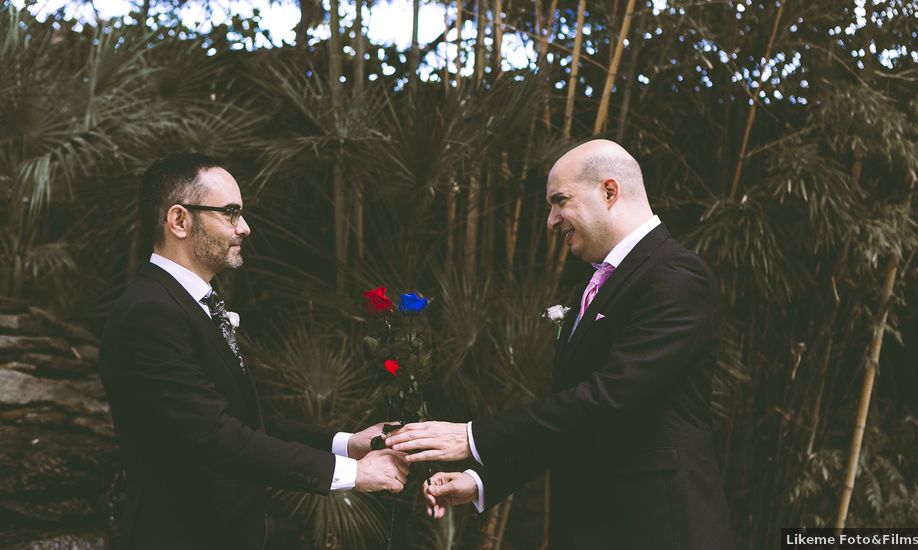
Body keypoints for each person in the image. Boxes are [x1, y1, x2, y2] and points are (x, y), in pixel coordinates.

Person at [385, 140, 734, 549]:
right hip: (592, 528)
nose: (551, 221)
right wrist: (482, 480)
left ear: (609, 191)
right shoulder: (595, 280)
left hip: (658, 528)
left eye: (559, 201)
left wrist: (472, 436)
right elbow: (575, 417)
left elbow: (608, 398)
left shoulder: (675, 276)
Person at [100, 154, 407, 550]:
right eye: (230, 213)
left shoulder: (188, 304)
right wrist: (352, 473)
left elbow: (242, 422)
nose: (244, 227)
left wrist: (346, 443)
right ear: (179, 220)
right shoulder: (150, 313)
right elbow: (214, 437)